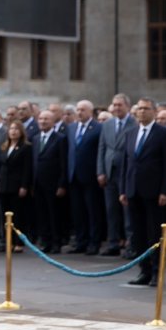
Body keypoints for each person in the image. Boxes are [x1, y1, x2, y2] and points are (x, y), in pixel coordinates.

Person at [119, 98, 166, 287]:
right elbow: (126, 164)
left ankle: (156, 272)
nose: (142, 112)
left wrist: (165, 190)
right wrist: (123, 189)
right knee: (138, 234)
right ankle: (144, 270)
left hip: (154, 191)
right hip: (133, 190)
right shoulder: (131, 133)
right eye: (139, 109)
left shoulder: (163, 134)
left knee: (154, 234)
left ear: (153, 111)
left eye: (146, 109)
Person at [96, 94, 134, 256]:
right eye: (114, 105)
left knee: (128, 211)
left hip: (126, 173)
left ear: (127, 106)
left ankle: (131, 244)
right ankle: (113, 243)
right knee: (111, 210)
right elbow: (102, 148)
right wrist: (101, 171)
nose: (117, 108)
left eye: (120, 105)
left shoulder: (134, 123)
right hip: (109, 172)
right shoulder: (108, 124)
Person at [66, 100, 104, 254]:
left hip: (90, 176)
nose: (80, 112)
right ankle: (80, 241)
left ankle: (94, 242)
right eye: (78, 110)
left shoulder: (98, 128)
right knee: (77, 211)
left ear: (90, 111)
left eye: (83, 110)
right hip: (74, 175)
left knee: (92, 211)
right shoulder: (71, 128)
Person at [32, 110, 68, 253]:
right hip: (38, 184)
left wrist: (62, 184)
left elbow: (64, 163)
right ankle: (45, 241)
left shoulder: (60, 138)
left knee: (54, 215)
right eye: (40, 119)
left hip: (53, 184)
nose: (42, 121)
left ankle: (56, 242)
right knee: (42, 215)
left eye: (46, 119)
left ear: (53, 122)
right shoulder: (35, 138)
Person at [0, 120, 33, 246]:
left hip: (16, 186)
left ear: (21, 132)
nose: (13, 131)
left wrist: (24, 186)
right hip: (3, 186)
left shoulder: (26, 147)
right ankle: (7, 242)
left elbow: (27, 169)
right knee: (4, 215)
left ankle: (18, 242)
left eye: (16, 129)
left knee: (17, 215)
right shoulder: (3, 146)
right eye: (11, 128)